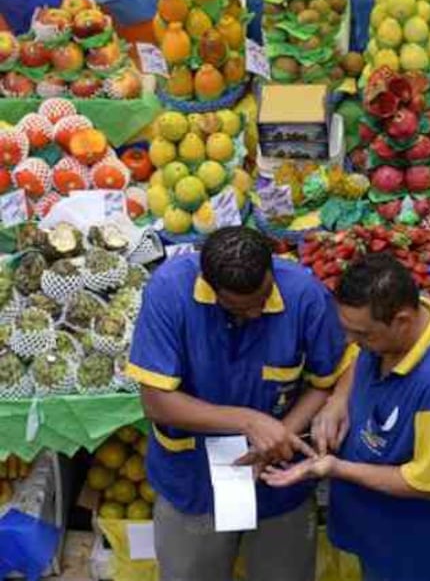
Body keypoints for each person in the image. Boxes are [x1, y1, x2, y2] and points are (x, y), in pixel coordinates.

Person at [126, 226, 355, 581]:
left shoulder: (304, 295)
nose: (255, 314)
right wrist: (248, 421)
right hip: (193, 478)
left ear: (272, 270)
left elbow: (329, 379)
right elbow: (156, 401)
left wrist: (282, 434)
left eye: (263, 300)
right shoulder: (169, 291)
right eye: (240, 308)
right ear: (209, 284)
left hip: (278, 479)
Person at [263, 253, 430, 581]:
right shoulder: (415, 316)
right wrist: (339, 399)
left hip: (415, 548)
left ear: (402, 321)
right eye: (348, 331)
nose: (353, 343)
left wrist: (337, 468)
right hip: (377, 531)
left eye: (364, 336)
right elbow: (359, 357)